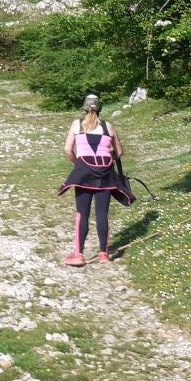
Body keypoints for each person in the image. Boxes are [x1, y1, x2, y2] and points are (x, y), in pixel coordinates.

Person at [57, 93, 132, 266]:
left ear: (84, 107)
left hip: (83, 174)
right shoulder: (108, 126)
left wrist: (79, 165)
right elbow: (119, 152)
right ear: (100, 109)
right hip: (105, 175)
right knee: (102, 214)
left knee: (82, 213)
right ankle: (104, 254)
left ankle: (79, 254)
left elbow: (68, 150)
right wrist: (107, 158)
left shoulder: (77, 125)